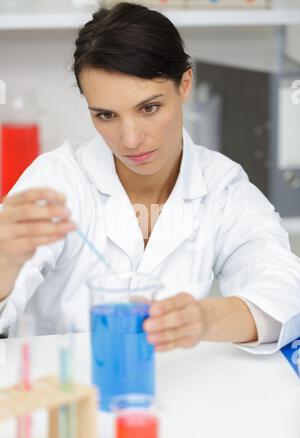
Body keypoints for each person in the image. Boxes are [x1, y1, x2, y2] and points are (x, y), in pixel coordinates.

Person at [0, 2, 300, 353]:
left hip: (167, 395)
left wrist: (205, 319)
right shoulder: (57, 180)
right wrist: (6, 260)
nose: (129, 139)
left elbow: (284, 286)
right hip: (64, 394)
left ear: (185, 84)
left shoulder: (221, 185)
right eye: (106, 115)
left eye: (149, 108)